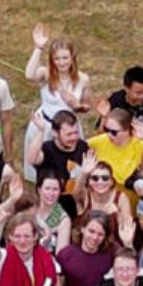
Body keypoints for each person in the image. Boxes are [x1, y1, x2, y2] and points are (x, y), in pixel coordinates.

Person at [22, 25, 91, 175]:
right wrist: (38, 48)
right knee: (42, 168)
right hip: (45, 126)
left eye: (65, 58)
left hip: (69, 128)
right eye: (57, 59)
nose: (61, 63)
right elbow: (29, 74)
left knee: (69, 169)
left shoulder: (83, 79)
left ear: (72, 57)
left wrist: (76, 105)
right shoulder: (46, 75)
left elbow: (86, 105)